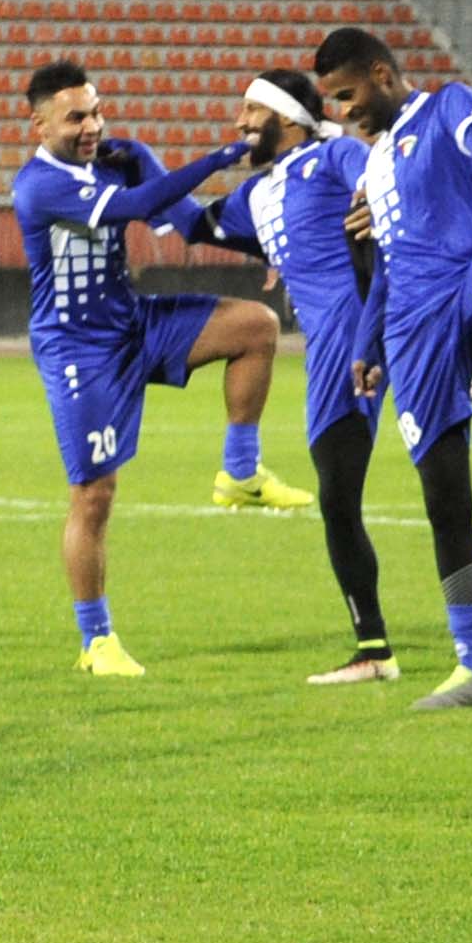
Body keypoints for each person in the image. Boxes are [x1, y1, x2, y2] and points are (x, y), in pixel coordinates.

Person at [12, 61, 311, 678]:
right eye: (76, 117)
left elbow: (181, 221)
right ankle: (97, 642)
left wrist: (272, 246)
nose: (93, 125)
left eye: (97, 111)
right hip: (79, 349)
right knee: (94, 495)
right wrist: (225, 154)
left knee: (256, 326)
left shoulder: (115, 157)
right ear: (38, 125)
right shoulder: (38, 186)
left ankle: (240, 472)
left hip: (134, 324)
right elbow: (141, 204)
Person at [310, 26, 472, 710]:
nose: (342, 112)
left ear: (381, 74)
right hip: (411, 334)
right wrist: (367, 346)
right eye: (332, 103)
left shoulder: (445, 107)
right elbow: (386, 263)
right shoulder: (374, 165)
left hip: (463, 295)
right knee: (445, 500)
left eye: (347, 94)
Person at [184, 71, 405, 681]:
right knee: (340, 495)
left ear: (285, 117)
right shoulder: (258, 193)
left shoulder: (330, 154)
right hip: (329, 342)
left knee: (343, 495)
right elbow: (192, 224)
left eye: (251, 111)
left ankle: (377, 652)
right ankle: (378, 649)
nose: (239, 123)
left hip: (354, 330)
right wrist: (139, 174)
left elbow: (385, 191)